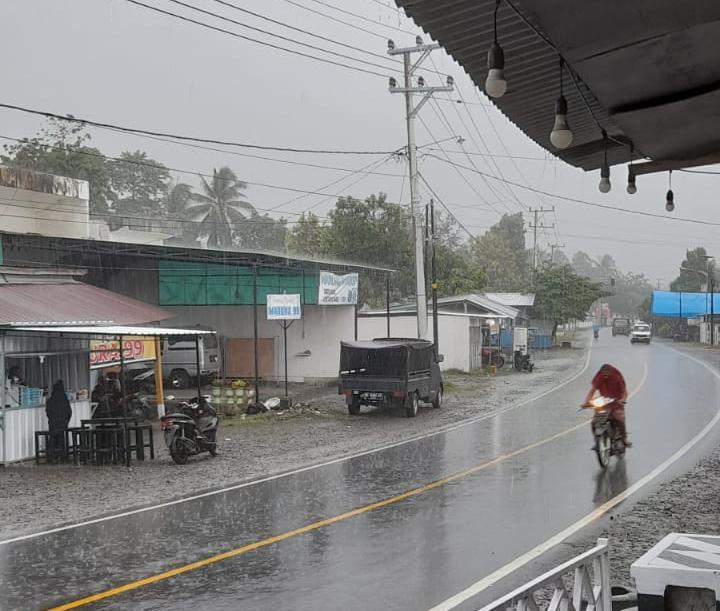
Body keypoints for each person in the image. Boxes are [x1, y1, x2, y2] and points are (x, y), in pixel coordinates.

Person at [583, 363, 631, 447]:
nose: (605, 376)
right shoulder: (599, 378)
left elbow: (625, 392)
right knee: (594, 422)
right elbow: (592, 391)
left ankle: (624, 438)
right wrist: (586, 402)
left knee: (619, 418)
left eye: (607, 373)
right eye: (603, 373)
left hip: (616, 402)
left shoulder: (617, 377)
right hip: (604, 401)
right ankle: (596, 441)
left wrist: (622, 400)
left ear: (611, 372)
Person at [46, 380, 72, 463]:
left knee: (52, 439)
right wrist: (65, 421)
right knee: (62, 439)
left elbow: (48, 412)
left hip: (53, 424)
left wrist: (52, 419)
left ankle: (52, 457)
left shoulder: (50, 400)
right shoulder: (65, 400)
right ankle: (63, 457)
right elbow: (69, 413)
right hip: (63, 424)